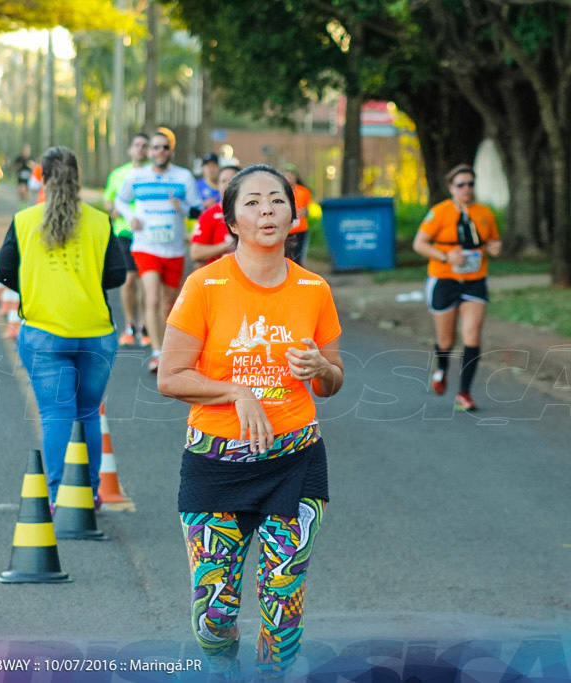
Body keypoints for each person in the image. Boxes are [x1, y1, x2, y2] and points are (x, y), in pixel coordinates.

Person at [157, 164, 344, 681]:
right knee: (213, 618)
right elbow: (170, 377)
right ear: (232, 221)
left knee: (282, 606)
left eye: (277, 201)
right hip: (216, 463)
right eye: (254, 202)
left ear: (294, 215)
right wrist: (235, 390)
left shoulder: (313, 290)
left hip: (295, 459)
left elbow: (333, 381)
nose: (267, 210)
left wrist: (321, 370)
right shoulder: (205, 285)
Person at [0, 146, 126, 508]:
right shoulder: (100, 220)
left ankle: (56, 496)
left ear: (41, 177)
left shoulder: (25, 221)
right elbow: (116, 274)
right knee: (88, 412)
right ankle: (91, 492)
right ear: (78, 177)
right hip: (96, 332)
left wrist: (35, 288)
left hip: (43, 333)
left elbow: (2, 271)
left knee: (56, 415)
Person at [412, 163, 502, 411]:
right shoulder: (439, 213)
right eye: (461, 184)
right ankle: (441, 369)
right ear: (451, 188)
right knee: (446, 340)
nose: (466, 189)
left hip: (474, 280)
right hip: (444, 279)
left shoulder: (484, 213)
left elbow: (493, 240)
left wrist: (495, 247)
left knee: (472, 334)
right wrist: (445, 256)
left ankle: (464, 393)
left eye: (470, 184)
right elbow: (419, 244)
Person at [114, 127, 203, 373]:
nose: (160, 151)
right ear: (149, 151)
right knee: (151, 297)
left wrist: (182, 207)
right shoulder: (136, 176)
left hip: (173, 248)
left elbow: (197, 210)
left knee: (167, 303)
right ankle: (157, 353)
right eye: (156, 147)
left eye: (165, 147)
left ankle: (166, 347)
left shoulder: (183, 177)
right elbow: (119, 200)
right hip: (145, 245)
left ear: (171, 151)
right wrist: (131, 216)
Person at [102, 132, 150, 347]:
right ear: (131, 149)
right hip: (124, 233)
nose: (141, 148)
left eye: (145, 145)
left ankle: (146, 325)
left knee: (146, 282)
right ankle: (130, 325)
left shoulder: (154, 174)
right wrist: (113, 210)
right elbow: (108, 200)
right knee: (129, 280)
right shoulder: (118, 174)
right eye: (137, 145)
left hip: (148, 234)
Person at [189, 163, 240, 266]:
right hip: (220, 277)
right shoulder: (209, 215)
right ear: (218, 186)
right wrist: (227, 246)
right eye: (223, 181)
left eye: (232, 180)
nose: (227, 184)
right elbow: (195, 253)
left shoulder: (253, 212)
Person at [283, 163, 312, 266]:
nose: (289, 177)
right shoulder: (282, 192)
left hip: (301, 228)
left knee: (298, 255)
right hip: (287, 229)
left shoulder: (304, 191)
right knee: (287, 255)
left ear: (296, 176)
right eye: (287, 175)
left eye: (291, 175)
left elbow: (308, 209)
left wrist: (305, 212)